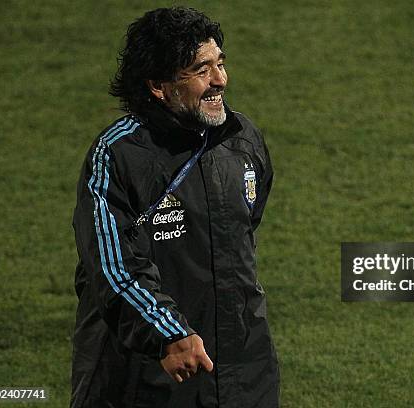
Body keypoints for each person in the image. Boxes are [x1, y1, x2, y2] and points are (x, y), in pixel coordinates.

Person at [70, 7, 279, 407]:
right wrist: (169, 333)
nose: (221, 80)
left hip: (243, 370)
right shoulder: (118, 156)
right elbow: (113, 268)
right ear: (158, 85)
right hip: (148, 373)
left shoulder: (242, 139)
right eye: (201, 70)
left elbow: (245, 235)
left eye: (220, 63)